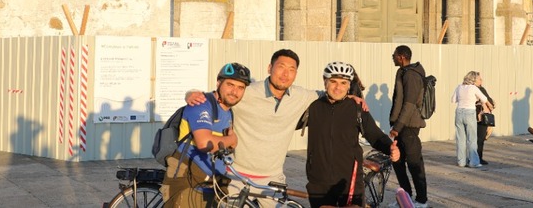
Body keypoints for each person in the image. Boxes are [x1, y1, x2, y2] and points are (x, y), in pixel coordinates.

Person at [187, 49, 366, 207]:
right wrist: (191, 94)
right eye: (281, 67)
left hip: (273, 178)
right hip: (237, 177)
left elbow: (332, 92)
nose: (285, 74)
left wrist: (351, 97)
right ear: (269, 68)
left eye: (291, 70)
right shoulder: (246, 92)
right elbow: (219, 96)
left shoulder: (303, 96)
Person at [300, 62, 400, 208]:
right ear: (325, 82)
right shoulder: (313, 107)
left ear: (349, 85)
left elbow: (375, 136)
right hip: (319, 181)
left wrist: (390, 148)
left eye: (343, 83)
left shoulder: (356, 109)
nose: (338, 87)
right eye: (333, 81)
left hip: (350, 181)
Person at [160, 62, 251, 208]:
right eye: (230, 85)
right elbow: (204, 143)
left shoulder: (228, 111)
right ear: (218, 82)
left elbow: (227, 145)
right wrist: (232, 139)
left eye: (240, 88)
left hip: (214, 183)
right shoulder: (201, 104)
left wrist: (230, 142)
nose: (235, 91)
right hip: (189, 182)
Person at [389, 45, 428, 208]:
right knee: (397, 163)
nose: (393, 57)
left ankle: (421, 200)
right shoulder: (404, 72)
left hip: (409, 126)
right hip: (402, 126)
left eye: (394, 55)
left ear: (402, 57)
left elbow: (410, 104)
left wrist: (397, 126)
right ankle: (406, 198)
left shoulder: (411, 75)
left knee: (414, 163)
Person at [451, 71, 493, 168]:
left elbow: (453, 100)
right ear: (473, 79)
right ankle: (473, 162)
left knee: (460, 138)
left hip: (459, 112)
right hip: (469, 112)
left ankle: (461, 162)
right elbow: (484, 99)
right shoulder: (473, 88)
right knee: (472, 139)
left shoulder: (459, 87)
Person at [475, 74, 496, 165]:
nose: (481, 81)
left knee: (471, 138)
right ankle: (478, 157)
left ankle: (469, 157)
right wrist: (492, 104)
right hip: (481, 116)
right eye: (480, 79)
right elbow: (488, 101)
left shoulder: (467, 89)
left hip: (471, 115)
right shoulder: (479, 89)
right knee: (480, 138)